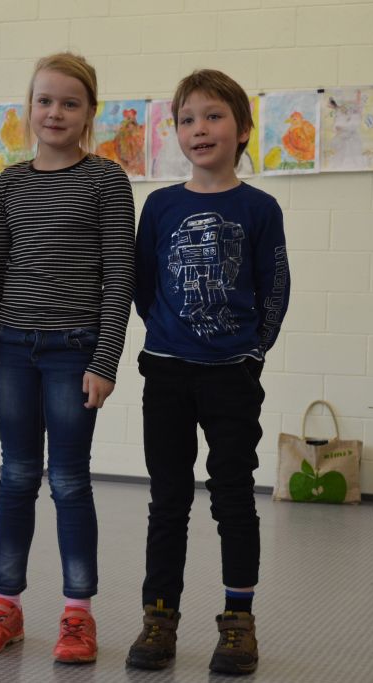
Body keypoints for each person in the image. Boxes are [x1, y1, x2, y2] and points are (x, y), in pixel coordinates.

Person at [0, 52, 136, 664]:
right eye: (44, 101)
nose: (55, 112)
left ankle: (77, 614)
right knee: (16, 477)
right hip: (13, 347)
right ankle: (4, 607)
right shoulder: (8, 183)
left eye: (69, 103)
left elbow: (120, 277)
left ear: (90, 113)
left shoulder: (106, 180)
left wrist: (105, 360)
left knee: (68, 480)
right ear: (28, 108)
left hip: (73, 351)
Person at [126, 69, 290, 676]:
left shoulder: (259, 208)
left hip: (231, 376)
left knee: (233, 497)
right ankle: (159, 617)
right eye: (188, 119)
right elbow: (144, 284)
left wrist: (252, 352)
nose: (200, 128)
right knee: (168, 500)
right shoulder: (161, 205)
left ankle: (238, 620)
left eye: (214, 116)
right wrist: (171, 334)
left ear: (242, 129)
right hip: (167, 373)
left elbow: (275, 288)